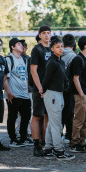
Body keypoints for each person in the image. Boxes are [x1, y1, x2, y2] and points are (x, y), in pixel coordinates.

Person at [42, 37, 75, 160]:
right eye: (57, 47)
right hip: (52, 94)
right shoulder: (52, 62)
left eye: (61, 46)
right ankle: (59, 151)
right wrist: (43, 91)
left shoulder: (60, 62)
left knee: (52, 123)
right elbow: (46, 79)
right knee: (57, 125)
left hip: (59, 94)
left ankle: (49, 149)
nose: (60, 49)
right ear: (52, 49)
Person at [4, 38, 31, 147]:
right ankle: (13, 139)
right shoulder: (9, 59)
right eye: (19, 44)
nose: (22, 46)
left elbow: (26, 77)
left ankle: (23, 138)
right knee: (12, 117)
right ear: (13, 47)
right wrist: (8, 93)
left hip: (24, 94)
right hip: (13, 95)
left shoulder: (24, 59)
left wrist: (27, 90)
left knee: (26, 117)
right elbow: (4, 78)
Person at [69, 36, 86, 153]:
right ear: (85, 46)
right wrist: (82, 95)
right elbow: (75, 78)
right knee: (79, 120)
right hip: (81, 95)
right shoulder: (78, 59)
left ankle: (82, 142)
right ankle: (74, 144)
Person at [30, 25, 52, 156]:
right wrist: (40, 88)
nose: (46, 35)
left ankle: (46, 142)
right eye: (44, 33)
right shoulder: (36, 49)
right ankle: (36, 144)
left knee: (48, 116)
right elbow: (33, 70)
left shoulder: (53, 48)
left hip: (51, 89)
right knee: (37, 116)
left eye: (48, 33)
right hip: (39, 88)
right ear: (39, 35)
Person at [61, 34, 77, 144]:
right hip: (70, 88)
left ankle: (58, 135)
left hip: (58, 88)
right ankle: (69, 135)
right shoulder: (74, 56)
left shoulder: (57, 54)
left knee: (59, 113)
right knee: (70, 113)